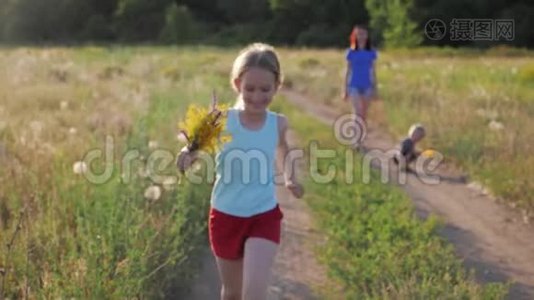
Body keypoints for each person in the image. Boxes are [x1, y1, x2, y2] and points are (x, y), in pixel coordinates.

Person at [177, 43, 304, 300]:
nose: (257, 96)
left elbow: (283, 149)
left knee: (254, 293)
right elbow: (195, 147)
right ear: (237, 85)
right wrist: (186, 154)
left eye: (265, 89)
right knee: (233, 292)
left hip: (264, 215)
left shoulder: (278, 123)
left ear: (277, 85)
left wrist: (291, 177)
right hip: (225, 216)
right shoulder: (222, 120)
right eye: (250, 89)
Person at [343, 25, 378, 146]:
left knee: (364, 114)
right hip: (354, 85)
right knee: (357, 112)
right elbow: (347, 71)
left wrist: (375, 88)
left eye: (364, 34)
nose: (362, 37)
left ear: (367, 36)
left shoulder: (371, 52)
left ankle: (362, 139)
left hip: (367, 85)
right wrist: (344, 89)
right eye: (359, 34)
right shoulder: (351, 52)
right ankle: (355, 140)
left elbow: (373, 71)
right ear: (355, 36)